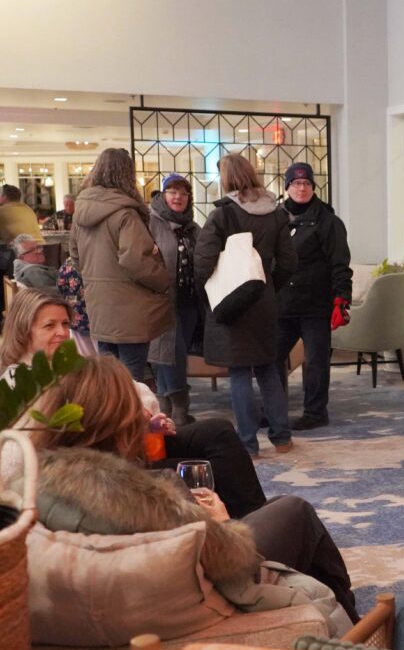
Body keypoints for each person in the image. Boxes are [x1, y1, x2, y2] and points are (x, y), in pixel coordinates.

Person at [30, 356, 359, 626]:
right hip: (197, 599)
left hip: (124, 604)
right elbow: (233, 569)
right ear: (120, 423)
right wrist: (224, 524)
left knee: (266, 496)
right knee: (294, 511)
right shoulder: (153, 499)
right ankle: (355, 628)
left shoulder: (34, 487)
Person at [0, 288, 267, 518]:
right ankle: (230, 533)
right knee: (194, 470)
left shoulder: (71, 364)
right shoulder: (17, 383)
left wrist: (143, 417)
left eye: (65, 325)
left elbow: (138, 393)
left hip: (132, 443)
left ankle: (255, 519)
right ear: (24, 331)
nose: (61, 332)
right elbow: (22, 457)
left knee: (216, 431)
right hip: (99, 467)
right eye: (50, 326)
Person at [194, 154, 298, 457]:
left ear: (225, 178)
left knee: (239, 373)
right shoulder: (276, 213)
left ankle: (249, 444)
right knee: (268, 369)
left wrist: (210, 294)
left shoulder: (222, 215)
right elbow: (289, 261)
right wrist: (267, 287)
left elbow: (203, 263)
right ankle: (282, 438)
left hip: (231, 302)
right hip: (264, 301)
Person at [69, 147, 171, 381]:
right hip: (131, 309)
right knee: (132, 381)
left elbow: (75, 256)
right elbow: (136, 260)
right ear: (127, 174)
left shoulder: (80, 211)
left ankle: (109, 418)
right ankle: (130, 418)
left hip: (99, 306)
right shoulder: (125, 213)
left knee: (110, 379)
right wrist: (163, 280)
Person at [276, 162, 352, 431]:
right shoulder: (276, 218)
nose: (301, 188)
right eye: (296, 184)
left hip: (315, 305)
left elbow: (340, 263)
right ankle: (274, 409)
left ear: (313, 187)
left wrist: (341, 299)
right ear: (286, 188)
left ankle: (316, 412)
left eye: (306, 183)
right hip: (282, 304)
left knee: (316, 361)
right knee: (271, 357)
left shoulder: (328, 221)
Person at [148, 173, 202, 426]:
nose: (178, 197)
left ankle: (166, 408)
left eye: (183, 193)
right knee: (171, 354)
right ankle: (179, 410)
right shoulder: (150, 222)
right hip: (161, 301)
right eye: (172, 192)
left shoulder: (192, 227)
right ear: (163, 195)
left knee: (169, 354)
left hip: (189, 301)